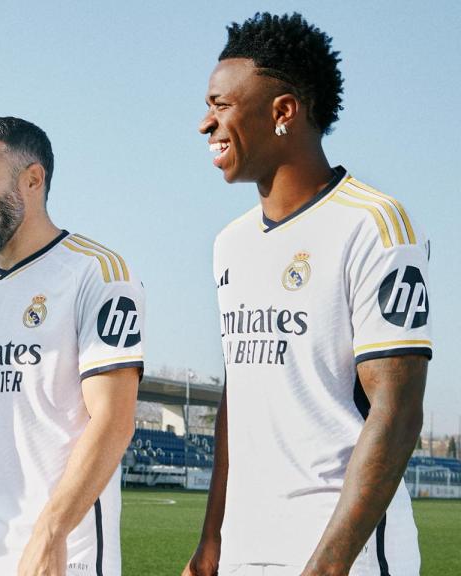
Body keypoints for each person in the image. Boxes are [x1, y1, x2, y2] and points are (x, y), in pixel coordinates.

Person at [185, 13, 431, 576]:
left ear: (283, 111)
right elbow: (238, 396)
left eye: (221, 105)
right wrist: (212, 539)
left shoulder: (374, 223)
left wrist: (327, 566)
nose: (205, 123)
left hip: (343, 553)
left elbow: (397, 410)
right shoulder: (229, 244)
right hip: (247, 548)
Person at [0, 117, 142, 576]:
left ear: (33, 180)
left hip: (64, 556)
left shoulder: (97, 273)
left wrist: (51, 533)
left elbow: (114, 420)